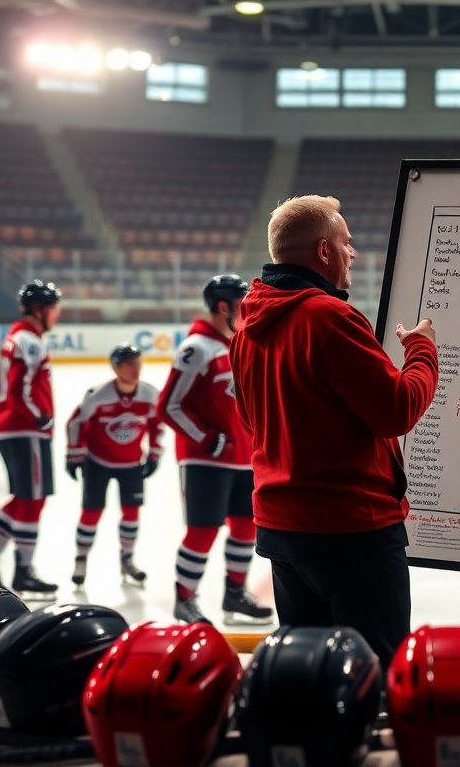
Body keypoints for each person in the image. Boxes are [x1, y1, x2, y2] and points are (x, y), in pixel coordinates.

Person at [228, 195, 438, 667]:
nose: (352, 253)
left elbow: (252, 422)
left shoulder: (246, 329)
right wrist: (422, 350)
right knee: (374, 669)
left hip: (282, 528)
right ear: (323, 251)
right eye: (346, 243)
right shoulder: (329, 318)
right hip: (351, 528)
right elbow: (398, 410)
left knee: (312, 669)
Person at [158, 274, 273, 626]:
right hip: (205, 461)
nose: (247, 308)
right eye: (241, 303)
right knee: (203, 529)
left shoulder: (238, 344)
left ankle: (234, 594)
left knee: (245, 528)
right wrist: (208, 439)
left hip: (245, 460)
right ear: (223, 306)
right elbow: (168, 405)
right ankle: (185, 599)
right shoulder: (196, 349)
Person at [0, 279, 62, 600]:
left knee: (25, 498)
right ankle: (24, 572)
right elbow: (21, 387)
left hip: (11, 427)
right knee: (33, 499)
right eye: (53, 309)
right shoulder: (30, 341)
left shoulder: (15, 338)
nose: (57, 315)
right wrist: (40, 415)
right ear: (39, 310)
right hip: (26, 429)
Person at [65, 344, 163, 588]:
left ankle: (127, 560)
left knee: (131, 513)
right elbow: (76, 423)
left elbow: (157, 423)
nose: (135, 369)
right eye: (129, 365)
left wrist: (155, 453)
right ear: (116, 368)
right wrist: (74, 454)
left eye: (138, 363)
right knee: (91, 512)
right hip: (97, 463)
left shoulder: (150, 394)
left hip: (131, 464)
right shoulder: (98, 395)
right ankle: (81, 558)